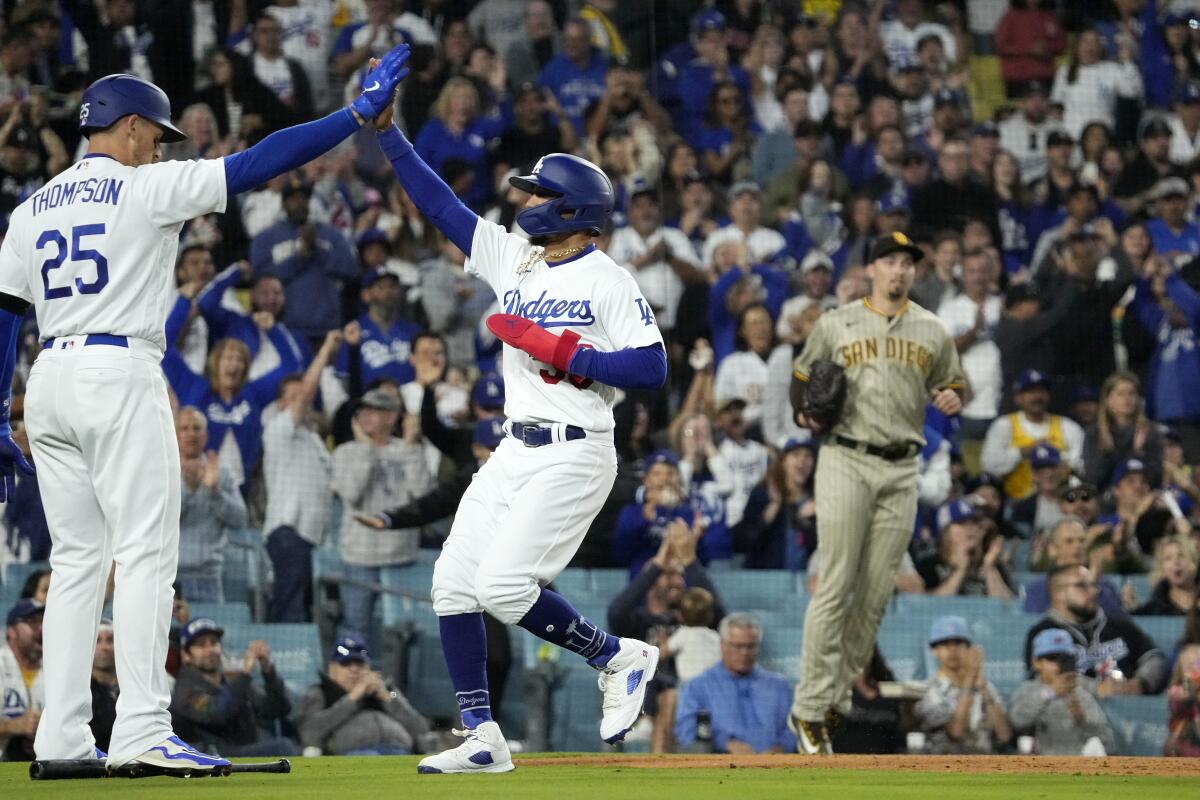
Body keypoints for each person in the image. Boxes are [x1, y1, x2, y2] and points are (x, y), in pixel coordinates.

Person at [0, 53, 410, 771]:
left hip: (49, 380)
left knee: (74, 564)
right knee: (147, 556)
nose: (158, 147)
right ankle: (140, 729)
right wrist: (351, 115)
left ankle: (61, 737)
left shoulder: (30, 209)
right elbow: (260, 161)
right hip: (117, 370)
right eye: (154, 135)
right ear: (127, 129)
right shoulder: (144, 187)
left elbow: (4, 316)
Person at [370, 71, 668, 774]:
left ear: (569, 210)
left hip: (575, 450)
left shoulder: (608, 280)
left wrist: (558, 348)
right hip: (512, 450)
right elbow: (442, 210)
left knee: (504, 587)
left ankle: (618, 655)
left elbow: (653, 370)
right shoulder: (517, 258)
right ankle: (482, 735)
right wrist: (389, 136)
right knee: (451, 583)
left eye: (537, 193)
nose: (525, 200)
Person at [787, 231, 965, 754]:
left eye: (907, 262)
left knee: (874, 595)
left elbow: (951, 383)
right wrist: (803, 411)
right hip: (845, 457)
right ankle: (809, 705)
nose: (898, 269)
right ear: (871, 270)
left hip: (902, 468)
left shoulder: (932, 330)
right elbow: (801, 379)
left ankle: (835, 703)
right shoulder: (836, 322)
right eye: (889, 260)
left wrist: (951, 397)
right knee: (836, 582)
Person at [331, 387, 433, 640]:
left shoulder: (408, 449)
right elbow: (351, 493)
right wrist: (367, 449)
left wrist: (411, 447)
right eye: (362, 411)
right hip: (360, 558)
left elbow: (424, 495)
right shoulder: (345, 452)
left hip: (401, 557)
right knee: (355, 627)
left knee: (402, 633)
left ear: (391, 416)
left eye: (373, 411)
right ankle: (349, 676)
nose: (364, 416)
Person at [262, 330, 341, 623]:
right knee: (290, 613)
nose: (303, 403)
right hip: (288, 533)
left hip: (311, 539)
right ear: (281, 405)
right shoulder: (278, 428)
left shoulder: (314, 439)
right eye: (294, 399)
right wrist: (325, 352)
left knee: (304, 613)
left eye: (305, 397)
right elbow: (307, 393)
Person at [1024, 564, 1169, 695]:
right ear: (1058, 593)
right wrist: (1096, 688)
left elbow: (1153, 657)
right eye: (1082, 586)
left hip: (1129, 712)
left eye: (1094, 585)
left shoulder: (1120, 624)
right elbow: (1043, 678)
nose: (1093, 591)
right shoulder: (1043, 633)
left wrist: (1140, 683)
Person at [170, 618, 297, 758]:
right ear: (186, 655)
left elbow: (278, 709)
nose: (209, 650)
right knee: (283, 748)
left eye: (214, 643)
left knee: (286, 745)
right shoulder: (185, 690)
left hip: (242, 753)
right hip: (213, 759)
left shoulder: (230, 683)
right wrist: (245, 674)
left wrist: (268, 672)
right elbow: (218, 713)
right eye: (201, 645)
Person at [674, 613, 796, 754]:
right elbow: (685, 732)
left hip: (778, 768)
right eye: (738, 646)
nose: (744, 653)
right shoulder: (698, 687)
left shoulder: (780, 687)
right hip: (721, 768)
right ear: (722, 645)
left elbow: (795, 728)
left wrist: (780, 748)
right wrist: (726, 744)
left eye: (751, 646)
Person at [297, 635, 433, 757]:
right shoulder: (321, 691)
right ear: (333, 670)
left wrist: (387, 698)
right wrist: (354, 697)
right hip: (357, 754)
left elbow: (421, 728)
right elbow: (310, 732)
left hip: (402, 751)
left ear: (368, 667)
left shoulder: (387, 690)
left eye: (359, 663)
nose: (354, 669)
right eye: (346, 664)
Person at [174, 406, 247, 604]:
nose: (191, 433)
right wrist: (188, 490)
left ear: (205, 436)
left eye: (196, 428)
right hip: (168, 580)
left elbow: (240, 519)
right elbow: (157, 522)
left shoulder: (222, 474)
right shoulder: (161, 474)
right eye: (185, 428)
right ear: (174, 434)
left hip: (209, 580)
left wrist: (214, 492)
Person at [913, 615, 1013, 755]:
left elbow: (1004, 736)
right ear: (934, 650)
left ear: (969, 649)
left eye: (958, 643)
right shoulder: (926, 689)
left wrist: (984, 689)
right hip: (942, 766)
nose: (952, 649)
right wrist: (970, 680)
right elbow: (955, 733)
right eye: (945, 644)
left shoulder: (986, 687)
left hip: (983, 766)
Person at [1009, 628, 1116, 756]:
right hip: (1037, 767)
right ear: (1036, 662)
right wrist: (1049, 692)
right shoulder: (1027, 690)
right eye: (1052, 658)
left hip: (1078, 765)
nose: (1059, 664)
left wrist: (1083, 720)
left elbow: (1108, 743)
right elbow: (1015, 722)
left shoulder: (1082, 692)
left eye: (1064, 658)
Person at [981, 369, 1085, 500]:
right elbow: (990, 465)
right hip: (1015, 502)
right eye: (1031, 392)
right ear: (1018, 398)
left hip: (1061, 501)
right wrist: (1024, 452)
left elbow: (1081, 464)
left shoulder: (1068, 426)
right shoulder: (1004, 425)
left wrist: (1053, 456)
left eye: (1041, 391)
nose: (1037, 397)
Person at [1023, 516, 1127, 618]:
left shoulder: (1105, 586)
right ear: (1053, 549)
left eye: (1082, 541)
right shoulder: (1037, 588)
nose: (1077, 546)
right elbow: (1039, 621)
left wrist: (1093, 584)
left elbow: (1116, 624)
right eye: (1069, 541)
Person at [0, 600, 43, 761]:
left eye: (43, 621)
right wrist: (13, 726)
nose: (41, 628)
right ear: (11, 632)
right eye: (32, 622)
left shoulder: (55, 671)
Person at [662, 588, 721, 685]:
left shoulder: (683, 633)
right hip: (713, 684)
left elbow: (663, 653)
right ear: (710, 615)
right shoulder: (715, 636)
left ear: (681, 615)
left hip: (688, 685)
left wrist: (663, 641)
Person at [1134, 536, 1198, 616]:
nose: (1176, 561)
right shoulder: (1153, 610)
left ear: (1192, 563)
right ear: (1162, 568)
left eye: (1181, 555)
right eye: (1168, 558)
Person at [1165, 643, 1200, 756]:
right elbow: (1178, 703)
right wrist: (1191, 693)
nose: (1196, 669)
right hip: (1183, 745)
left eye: (1198, 664)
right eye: (1191, 666)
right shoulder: (1176, 691)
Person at [89, 620, 118, 755]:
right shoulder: (81, 691)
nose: (104, 647)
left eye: (110, 640)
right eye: (97, 641)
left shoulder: (132, 686)